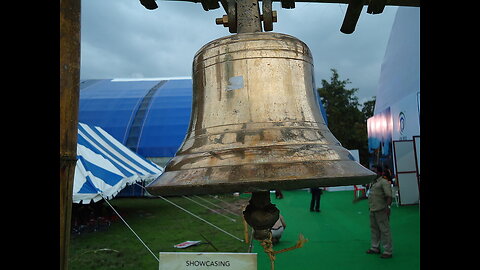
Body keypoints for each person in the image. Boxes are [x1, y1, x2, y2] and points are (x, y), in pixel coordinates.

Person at [365, 166, 394, 258]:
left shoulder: (384, 182)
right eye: (371, 171)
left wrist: (388, 207)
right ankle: (375, 247)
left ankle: (388, 251)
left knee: (384, 230)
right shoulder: (372, 183)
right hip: (372, 209)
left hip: (381, 209)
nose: (372, 172)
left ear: (380, 173)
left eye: (374, 171)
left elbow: (389, 196)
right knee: (374, 229)